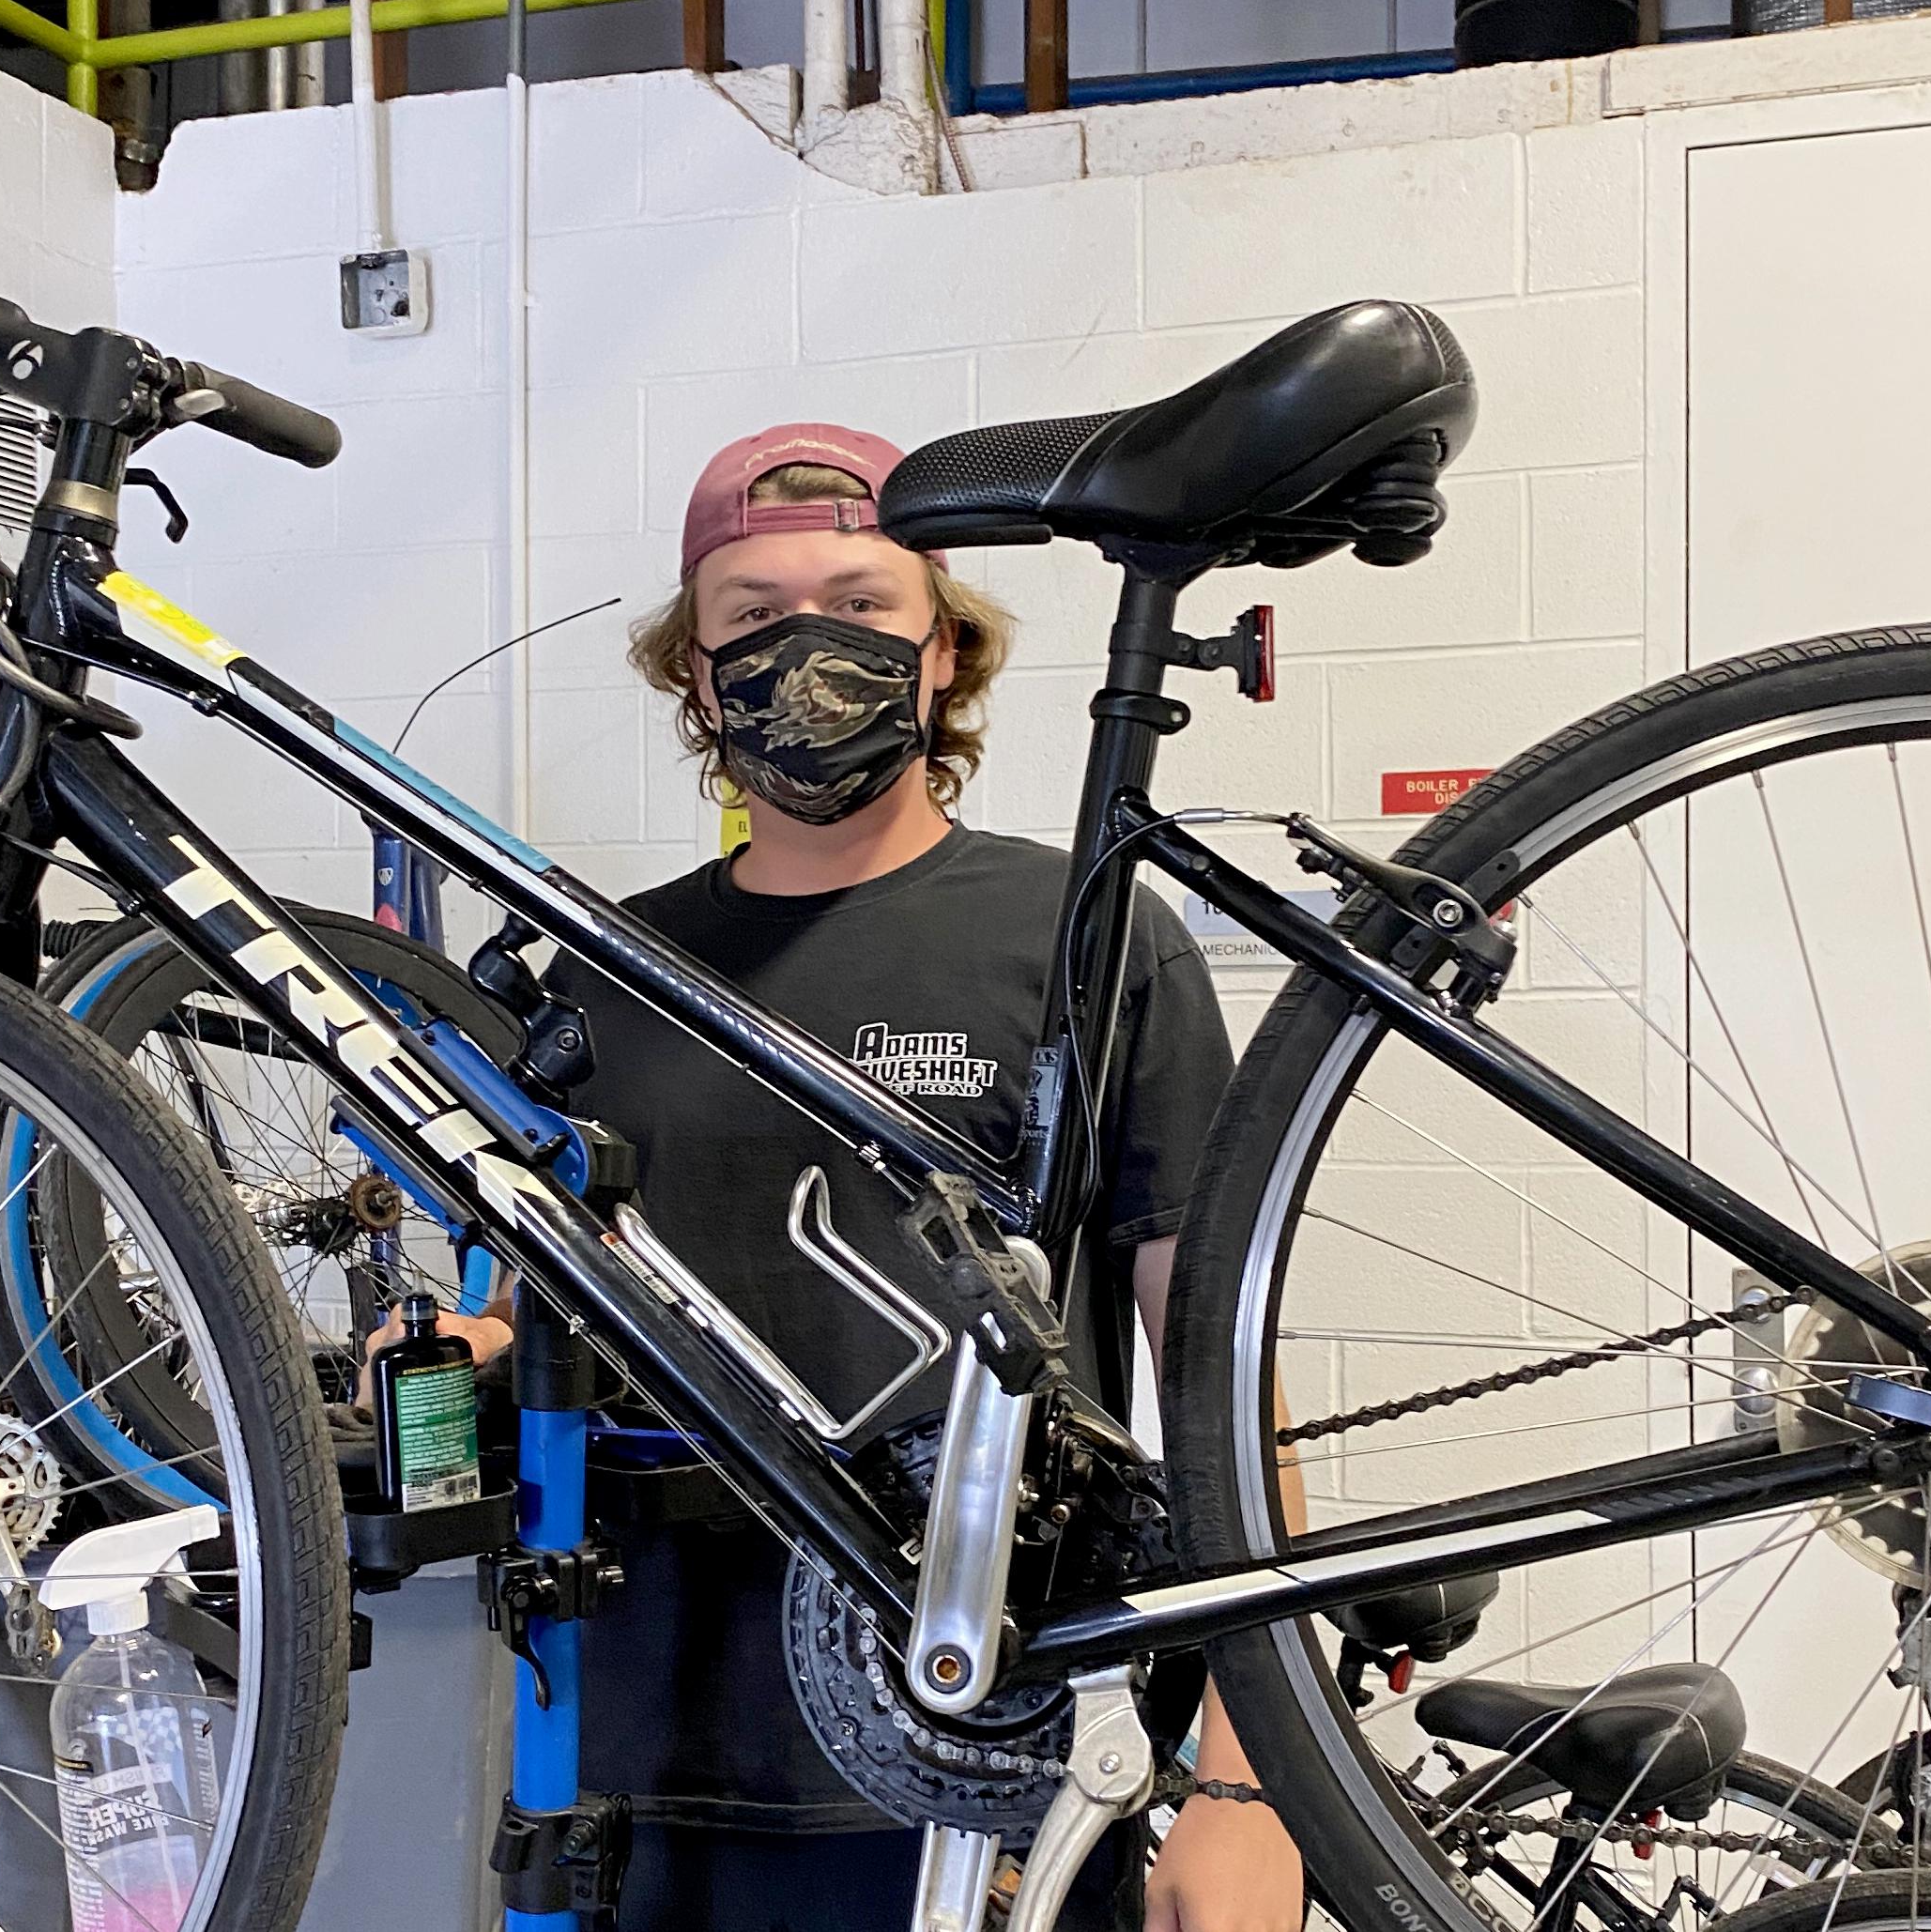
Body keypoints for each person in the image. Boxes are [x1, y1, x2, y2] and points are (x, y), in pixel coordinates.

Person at [391, 424, 1305, 1932]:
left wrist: (1250, 1785)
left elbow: (1217, 1363)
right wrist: (457, 1362)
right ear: (693, 670)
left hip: (989, 1762)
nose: (806, 644)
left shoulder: (1084, 938)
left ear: (945, 654)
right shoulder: (602, 975)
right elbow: (531, 1314)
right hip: (643, 1768)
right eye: (751, 615)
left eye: (862, 604)